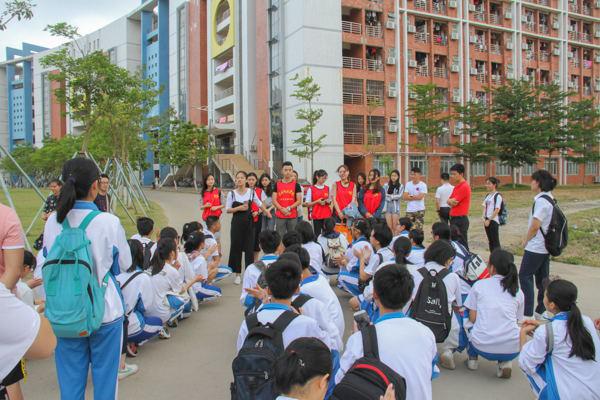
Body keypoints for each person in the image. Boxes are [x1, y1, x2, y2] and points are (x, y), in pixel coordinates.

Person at [40, 158, 131, 399]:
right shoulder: (108, 222)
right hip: (105, 312)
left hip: (65, 312)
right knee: (105, 385)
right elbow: (124, 264)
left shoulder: (53, 222)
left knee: (70, 386)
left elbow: (48, 257)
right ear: (94, 186)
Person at [336, 264, 438, 400]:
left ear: (375, 294)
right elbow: (430, 373)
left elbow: (340, 381)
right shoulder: (427, 333)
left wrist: (359, 337)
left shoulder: (360, 339)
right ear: (410, 296)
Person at [519, 279, 600, 398]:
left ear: (551, 305)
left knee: (529, 362)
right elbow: (564, 328)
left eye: (545, 295)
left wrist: (523, 334)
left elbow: (525, 361)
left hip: (568, 396)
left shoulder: (547, 331)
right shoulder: (586, 321)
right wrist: (542, 326)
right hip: (595, 393)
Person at [236, 258, 331, 351]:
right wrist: (301, 317)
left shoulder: (248, 322)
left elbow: (240, 352)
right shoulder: (307, 324)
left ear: (268, 290)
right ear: (297, 289)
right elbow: (329, 347)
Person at [464, 249, 524, 378]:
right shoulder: (518, 291)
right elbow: (517, 320)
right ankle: (505, 362)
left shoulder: (479, 285)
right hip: (512, 349)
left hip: (482, 345)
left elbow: (473, 318)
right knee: (508, 326)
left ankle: (472, 359)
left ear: (492, 268)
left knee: (465, 316)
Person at [410, 240, 462, 370]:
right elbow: (458, 304)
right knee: (457, 314)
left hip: (418, 321)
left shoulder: (416, 272)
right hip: (444, 327)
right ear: (447, 259)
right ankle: (448, 351)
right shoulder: (453, 276)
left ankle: (420, 351)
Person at [519, 169, 557, 318]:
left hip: (536, 246)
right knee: (543, 280)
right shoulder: (550, 198)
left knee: (524, 276)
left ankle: (527, 312)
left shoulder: (541, 201)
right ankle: (541, 310)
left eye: (532, 180)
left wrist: (525, 240)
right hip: (545, 246)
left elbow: (535, 226)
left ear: (538, 183)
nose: (531, 183)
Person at [116, 239, 162, 359]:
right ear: (140, 255)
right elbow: (146, 307)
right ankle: (130, 342)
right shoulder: (143, 277)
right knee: (158, 323)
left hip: (109, 324)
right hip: (129, 324)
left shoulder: (114, 274)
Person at [227, 171, 271, 285]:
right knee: (236, 247)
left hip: (249, 224)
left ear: (245, 180)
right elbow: (228, 209)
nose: (239, 180)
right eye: (237, 178)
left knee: (249, 249)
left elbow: (260, 203)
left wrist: (267, 212)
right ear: (235, 180)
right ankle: (237, 274)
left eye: (242, 177)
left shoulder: (251, 192)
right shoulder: (231, 193)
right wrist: (239, 208)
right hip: (236, 224)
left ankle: (248, 273)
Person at [147, 238, 199, 333]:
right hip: (161, 313)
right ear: (172, 253)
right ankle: (166, 322)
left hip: (147, 312)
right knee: (184, 298)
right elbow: (181, 290)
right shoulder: (171, 271)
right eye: (177, 249)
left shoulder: (150, 267)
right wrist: (195, 280)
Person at [241, 230, 283, 313]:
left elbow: (244, 298)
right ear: (279, 246)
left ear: (260, 246)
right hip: (282, 312)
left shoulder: (251, 268)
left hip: (259, 313)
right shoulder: (286, 265)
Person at [184, 232, 223, 303]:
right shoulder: (200, 258)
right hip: (195, 288)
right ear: (202, 244)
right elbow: (204, 279)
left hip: (185, 285)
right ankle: (195, 299)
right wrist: (209, 267)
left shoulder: (185, 254)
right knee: (218, 291)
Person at [338, 219, 373, 296]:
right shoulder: (367, 242)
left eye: (352, 228)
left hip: (365, 279)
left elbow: (352, 267)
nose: (350, 230)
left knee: (340, 276)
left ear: (357, 231)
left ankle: (361, 296)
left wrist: (345, 262)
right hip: (370, 277)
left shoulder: (357, 245)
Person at [272, 162, 303, 235]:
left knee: (292, 236)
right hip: (280, 215)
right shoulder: (277, 184)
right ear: (282, 171)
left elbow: (299, 201)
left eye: (290, 170)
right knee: (280, 236)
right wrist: (281, 209)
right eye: (285, 170)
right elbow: (274, 200)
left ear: (292, 171)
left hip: (292, 215)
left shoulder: (296, 185)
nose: (288, 172)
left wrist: (289, 208)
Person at [447, 163, 471, 250]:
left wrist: (450, 201)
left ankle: (466, 258)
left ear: (461, 174)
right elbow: (449, 200)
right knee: (455, 243)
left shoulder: (464, 186)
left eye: (454, 174)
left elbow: (454, 202)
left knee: (462, 244)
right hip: (454, 219)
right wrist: (449, 201)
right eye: (451, 174)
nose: (452, 176)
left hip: (460, 220)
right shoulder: (456, 187)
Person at [202, 216, 233, 282]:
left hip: (200, 264)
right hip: (206, 266)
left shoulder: (204, 232)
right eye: (218, 223)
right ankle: (209, 280)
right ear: (213, 226)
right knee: (229, 270)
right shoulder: (212, 241)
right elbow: (216, 260)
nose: (220, 225)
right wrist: (219, 254)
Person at [305, 169, 332, 237]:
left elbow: (330, 201)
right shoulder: (311, 189)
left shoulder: (327, 188)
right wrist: (317, 201)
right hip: (316, 215)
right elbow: (307, 204)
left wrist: (327, 201)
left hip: (327, 215)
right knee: (317, 235)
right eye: (323, 178)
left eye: (325, 178)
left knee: (327, 234)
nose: (324, 180)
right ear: (317, 177)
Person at [248, 172, 265, 261]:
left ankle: (255, 261)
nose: (251, 181)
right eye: (249, 179)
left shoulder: (260, 191)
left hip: (258, 218)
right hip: (246, 218)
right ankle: (249, 260)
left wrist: (258, 212)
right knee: (248, 240)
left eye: (253, 180)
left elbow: (264, 205)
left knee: (256, 240)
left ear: (256, 181)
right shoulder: (244, 190)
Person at [483, 177, 503, 253]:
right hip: (486, 220)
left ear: (494, 185)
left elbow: (497, 210)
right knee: (490, 241)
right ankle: (492, 257)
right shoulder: (488, 195)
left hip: (493, 221)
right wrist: (484, 219)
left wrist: (489, 220)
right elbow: (485, 208)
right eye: (486, 184)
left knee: (495, 241)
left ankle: (498, 257)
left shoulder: (498, 196)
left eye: (489, 184)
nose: (487, 185)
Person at [383, 169, 403, 233]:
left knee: (395, 227)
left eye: (395, 176)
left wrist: (390, 196)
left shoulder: (401, 186)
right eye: (392, 175)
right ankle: (391, 239)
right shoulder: (386, 185)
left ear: (398, 177)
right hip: (387, 207)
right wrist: (392, 197)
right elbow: (384, 195)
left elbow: (400, 196)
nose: (393, 177)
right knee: (389, 227)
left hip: (395, 208)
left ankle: (395, 238)